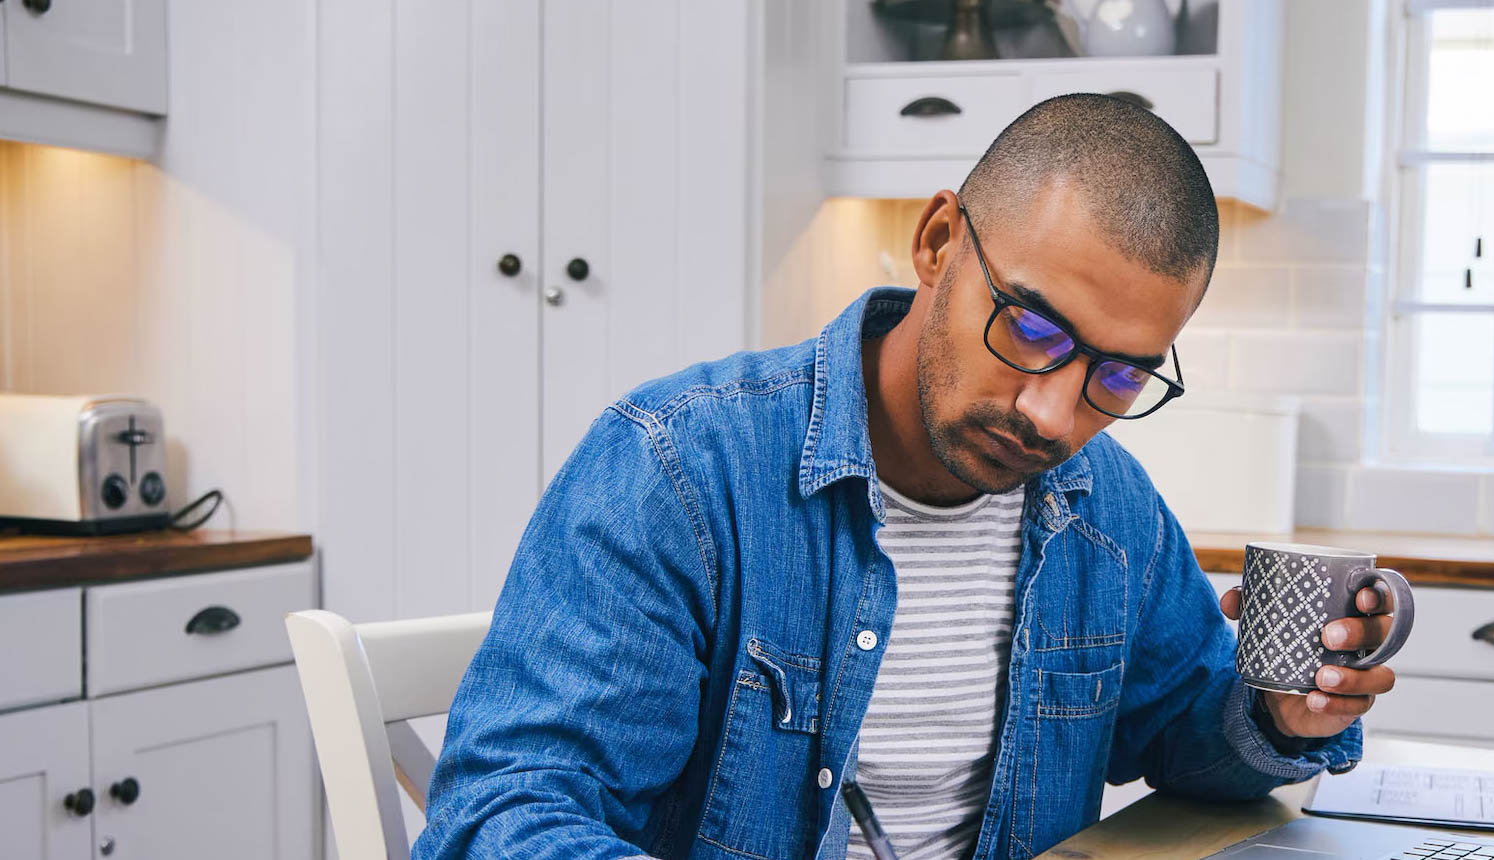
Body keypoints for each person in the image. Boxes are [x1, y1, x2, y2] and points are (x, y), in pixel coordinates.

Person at [414, 94, 1399, 860]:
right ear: (936, 243)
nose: (1053, 415)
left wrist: (1278, 712)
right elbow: (503, 814)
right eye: (1031, 326)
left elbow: (1185, 725)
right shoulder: (678, 469)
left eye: (1118, 372)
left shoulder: (1110, 510)